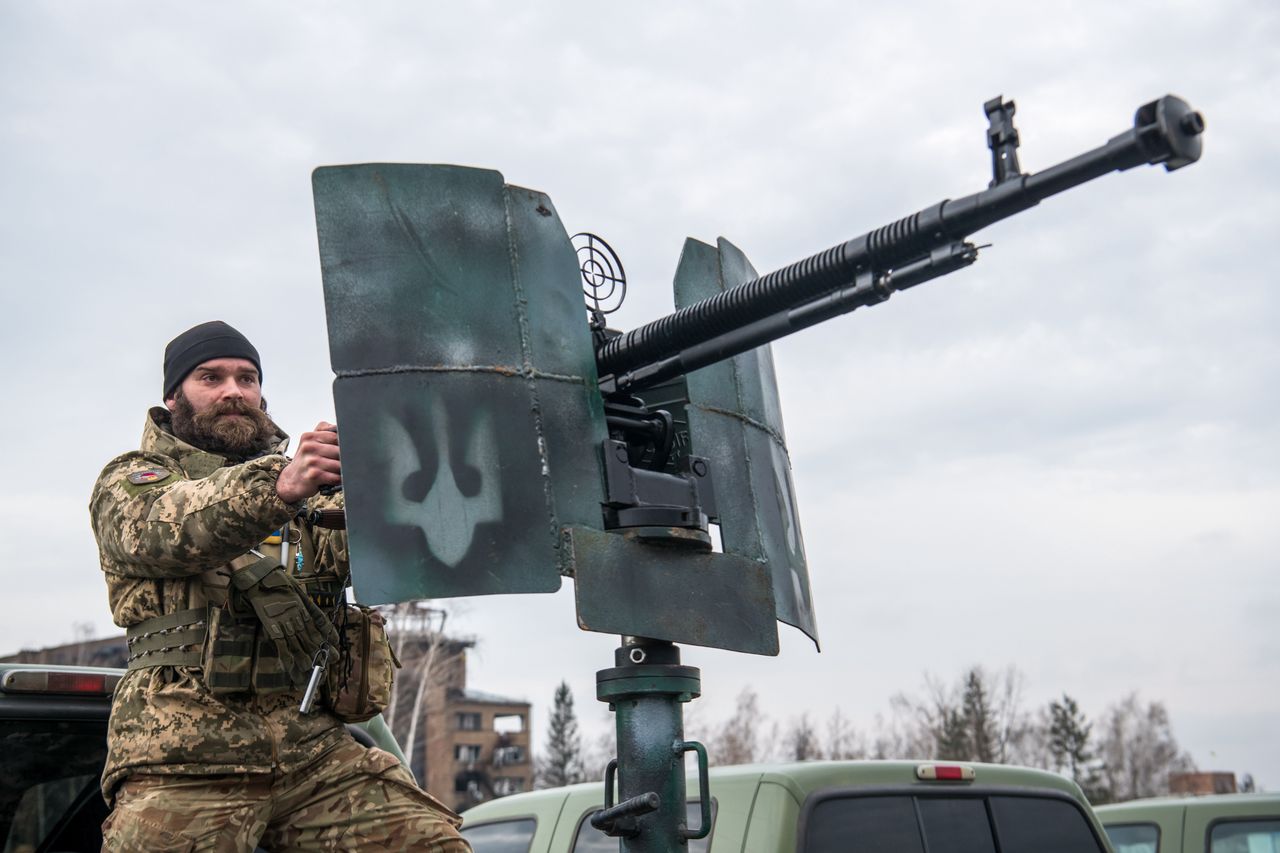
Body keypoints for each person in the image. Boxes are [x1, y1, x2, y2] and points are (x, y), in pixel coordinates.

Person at [89, 320, 469, 851]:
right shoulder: (134, 478)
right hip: (184, 755)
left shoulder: (309, 492)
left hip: (309, 750)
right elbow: (166, 530)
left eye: (247, 379)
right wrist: (281, 483)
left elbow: (393, 548)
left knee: (430, 843)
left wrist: (397, 476)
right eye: (210, 377)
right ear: (174, 396)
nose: (233, 392)